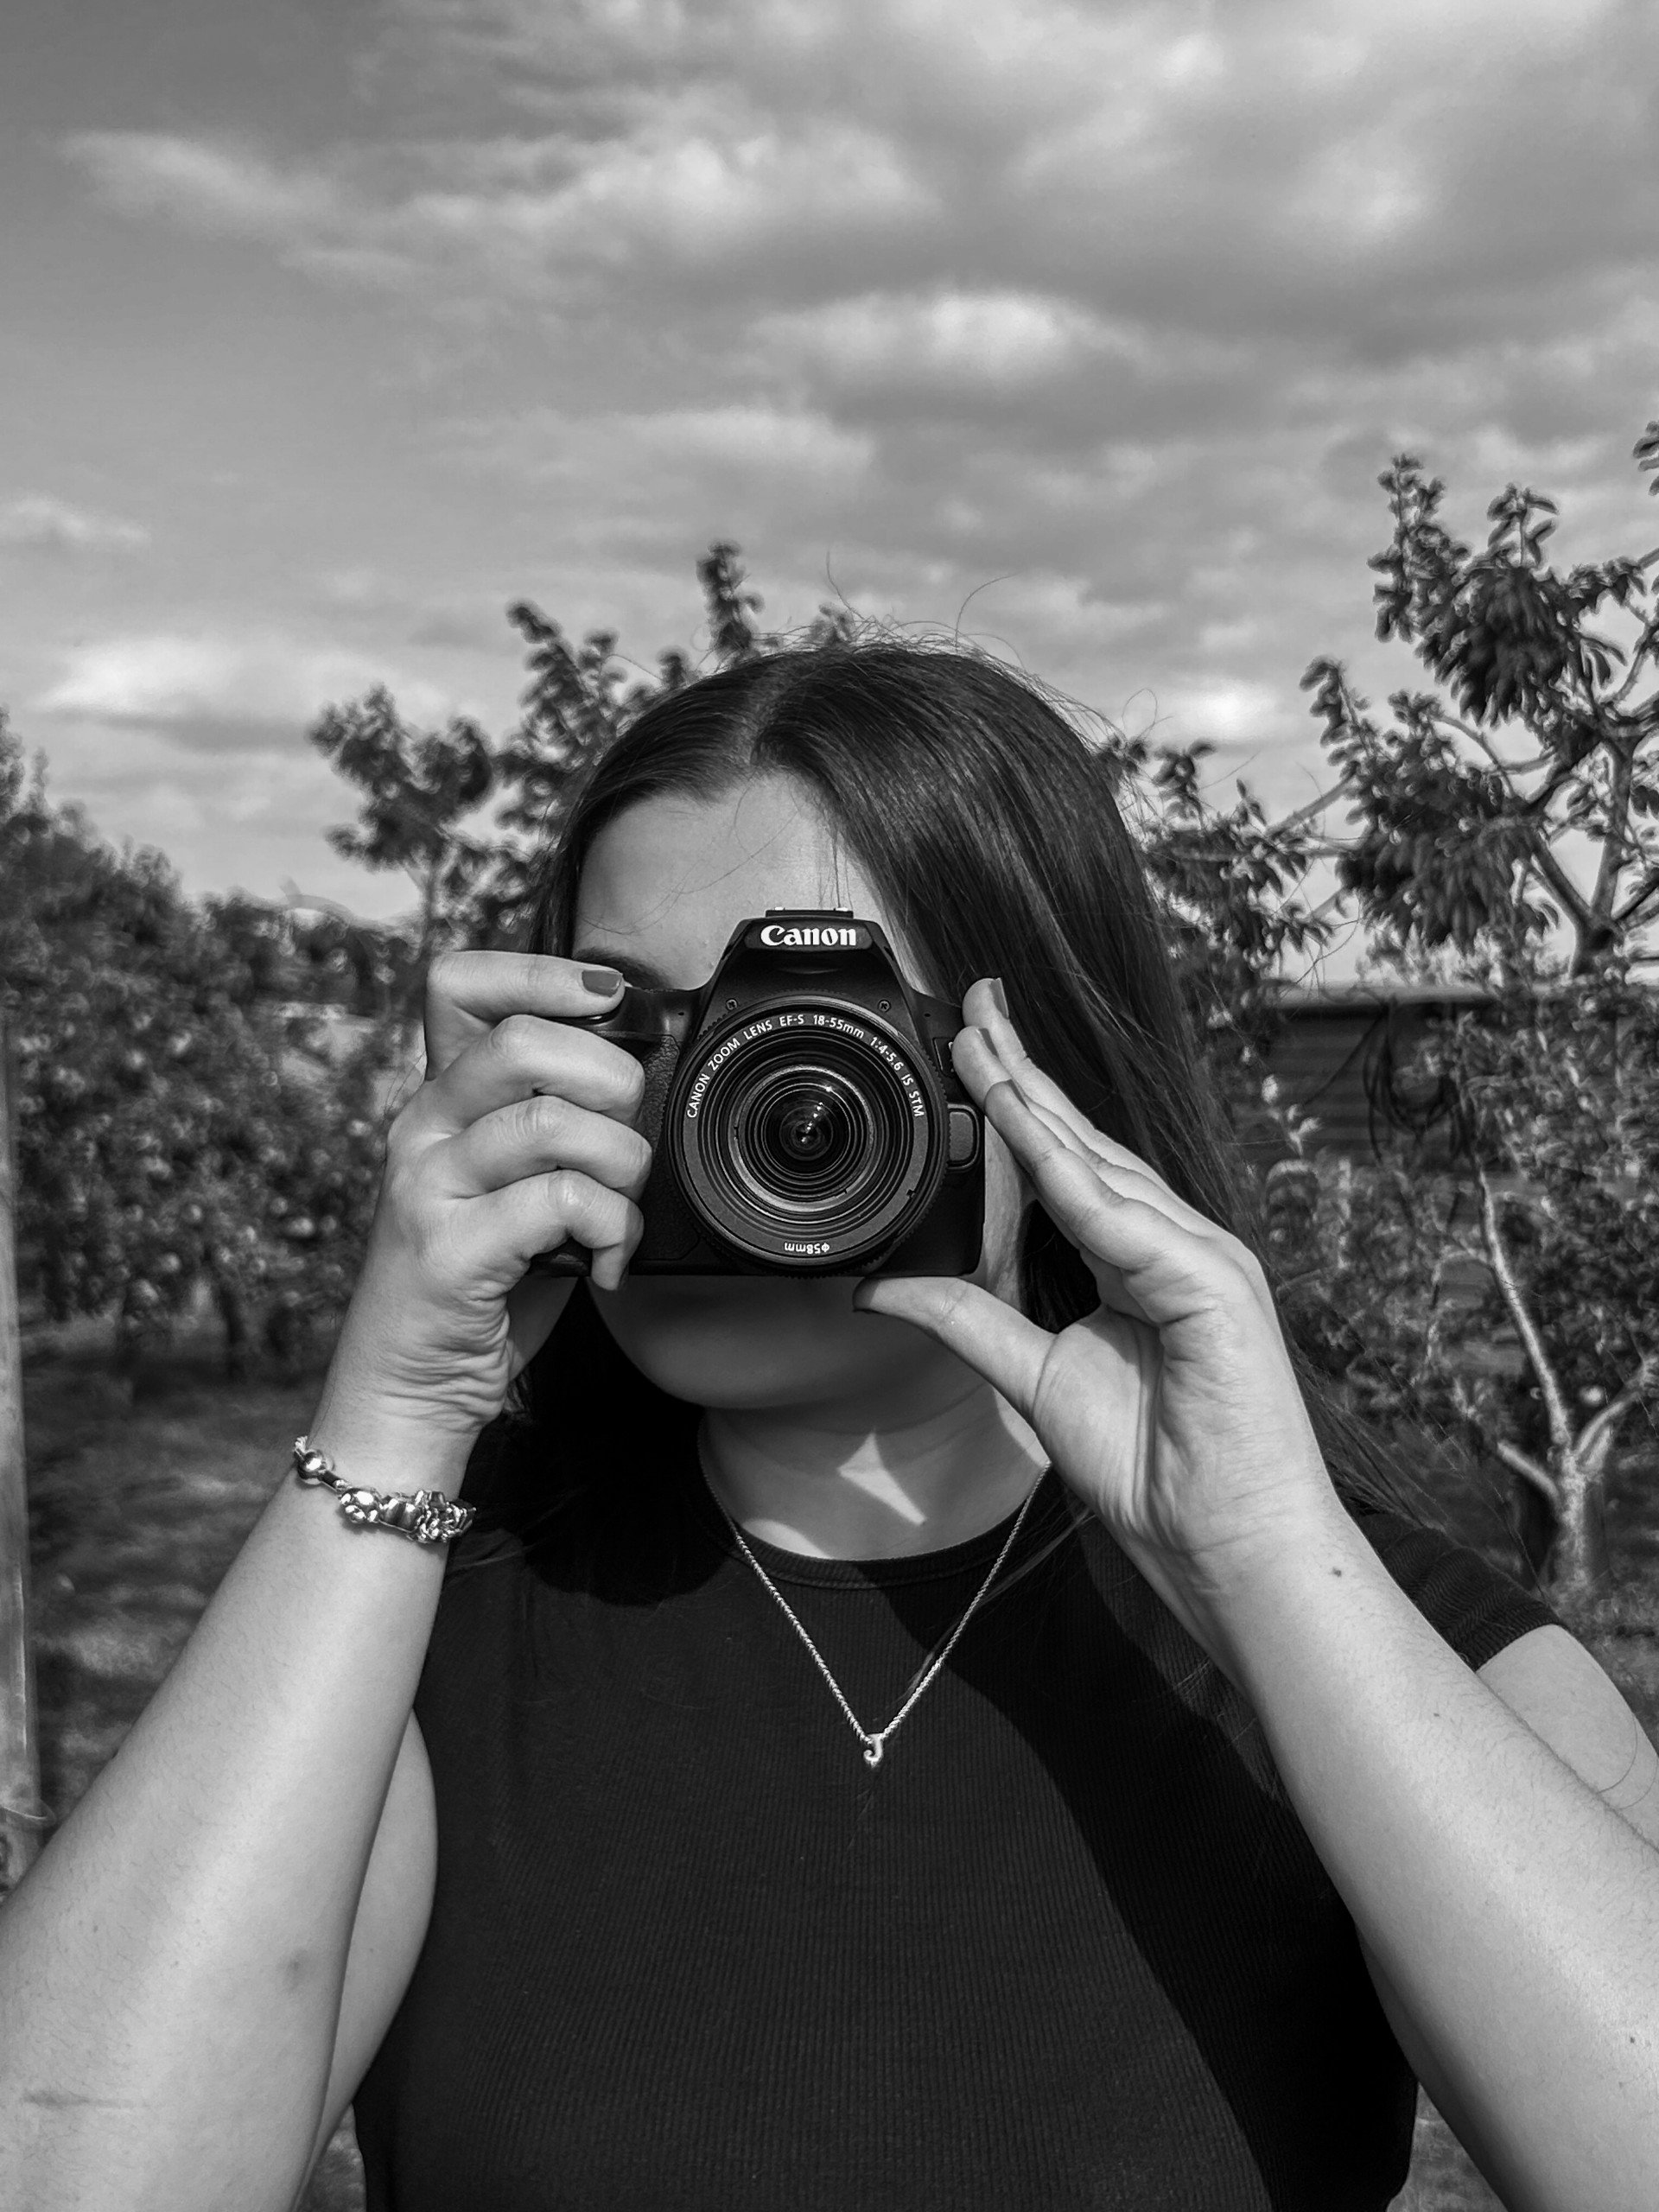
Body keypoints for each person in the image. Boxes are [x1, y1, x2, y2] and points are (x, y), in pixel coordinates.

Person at [2, 639, 1656, 2212]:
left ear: (1045, 1080)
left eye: (814, 1045)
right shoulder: (411, 1640)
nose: (737, 1117)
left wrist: (1262, 1562)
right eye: (647, 1035)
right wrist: (391, 1420)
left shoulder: (1375, 1642)